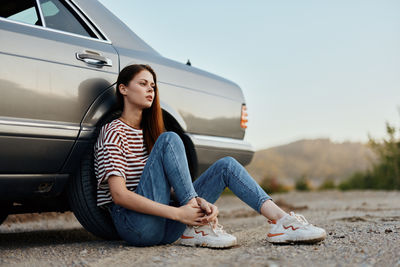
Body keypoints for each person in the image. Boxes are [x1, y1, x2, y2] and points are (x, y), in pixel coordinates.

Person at [94, 64, 326, 248]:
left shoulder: (151, 134)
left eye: (153, 86)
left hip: (168, 225)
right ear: (123, 89)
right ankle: (196, 225)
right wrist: (179, 212)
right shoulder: (113, 131)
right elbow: (119, 195)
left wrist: (198, 203)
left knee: (226, 165)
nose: (150, 90)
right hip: (135, 225)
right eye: (143, 84)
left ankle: (281, 221)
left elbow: (165, 189)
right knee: (170, 139)